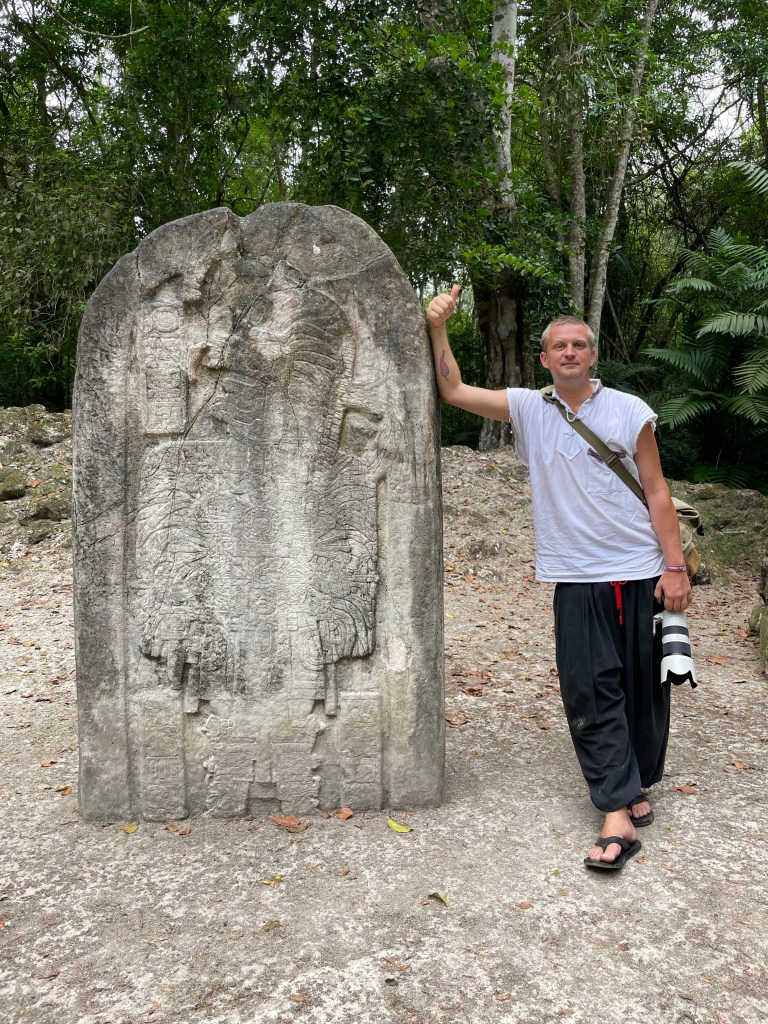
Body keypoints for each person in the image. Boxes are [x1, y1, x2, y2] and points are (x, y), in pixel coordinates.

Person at [427, 285, 693, 871]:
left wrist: (675, 567)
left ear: (592, 354)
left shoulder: (628, 410)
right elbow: (453, 390)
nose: (569, 352)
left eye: (579, 344)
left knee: (644, 691)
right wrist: (439, 326)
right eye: (559, 346)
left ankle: (635, 779)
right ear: (544, 358)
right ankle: (616, 809)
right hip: (576, 576)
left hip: (641, 568)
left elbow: (656, 490)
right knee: (590, 689)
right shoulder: (529, 407)